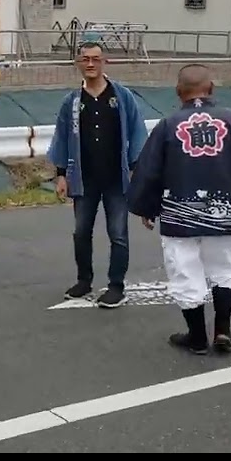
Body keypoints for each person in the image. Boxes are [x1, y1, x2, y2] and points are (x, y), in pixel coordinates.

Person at [127, 64, 231, 355]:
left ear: (178, 92)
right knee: (224, 268)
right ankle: (223, 330)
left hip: (179, 214)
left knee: (185, 272)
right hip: (225, 211)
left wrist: (146, 206)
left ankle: (196, 337)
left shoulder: (168, 125)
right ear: (211, 89)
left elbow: (150, 171)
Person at [46, 40, 149, 308]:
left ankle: (116, 285)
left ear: (105, 62)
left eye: (95, 59)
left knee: (118, 233)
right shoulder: (71, 102)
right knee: (81, 232)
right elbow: (62, 139)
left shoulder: (122, 97)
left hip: (117, 178)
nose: (90, 64)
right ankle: (84, 280)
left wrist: (137, 169)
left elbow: (138, 132)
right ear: (78, 63)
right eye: (85, 59)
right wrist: (61, 174)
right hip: (84, 178)